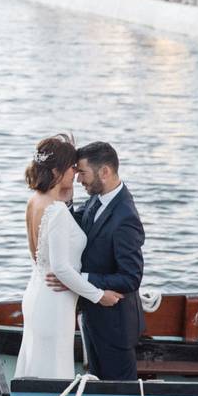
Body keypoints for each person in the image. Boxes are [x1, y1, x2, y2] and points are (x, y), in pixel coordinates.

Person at [14, 135, 123, 380]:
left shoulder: (35, 201)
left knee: (36, 369)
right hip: (55, 301)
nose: (76, 172)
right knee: (53, 372)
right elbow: (61, 269)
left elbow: (39, 256)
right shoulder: (57, 212)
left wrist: (68, 193)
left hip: (36, 293)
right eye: (72, 167)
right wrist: (99, 296)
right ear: (56, 170)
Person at [45, 141, 145, 380]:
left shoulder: (125, 217)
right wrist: (66, 202)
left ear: (105, 172)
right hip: (92, 316)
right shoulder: (97, 199)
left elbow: (131, 277)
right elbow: (76, 226)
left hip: (115, 325)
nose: (79, 179)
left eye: (83, 173)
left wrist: (79, 279)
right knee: (97, 387)